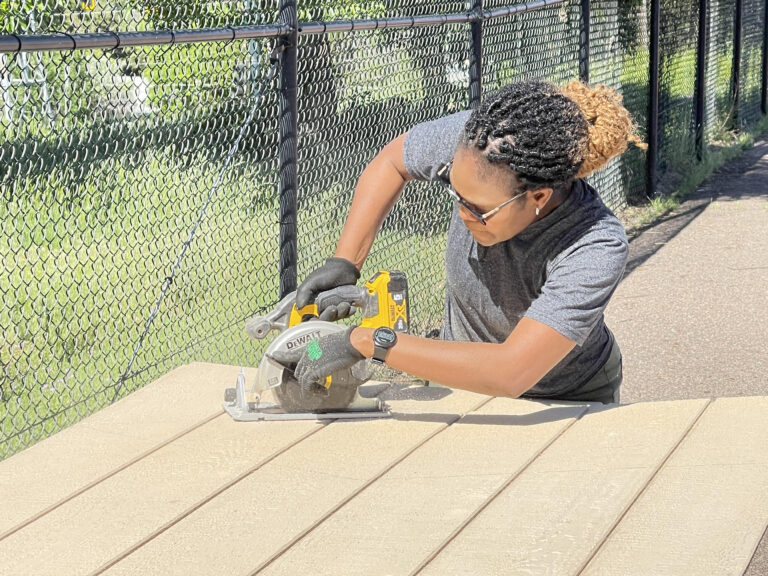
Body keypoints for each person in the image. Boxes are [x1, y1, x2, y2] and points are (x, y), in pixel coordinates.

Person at [272, 79, 645, 404]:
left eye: (477, 209)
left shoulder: (594, 244)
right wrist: (346, 261)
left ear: (539, 197)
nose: (463, 215)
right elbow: (392, 162)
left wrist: (369, 342)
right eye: (455, 192)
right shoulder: (481, 141)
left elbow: (510, 371)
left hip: (563, 399)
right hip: (459, 385)